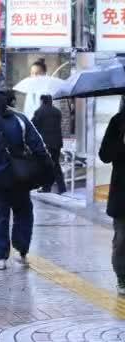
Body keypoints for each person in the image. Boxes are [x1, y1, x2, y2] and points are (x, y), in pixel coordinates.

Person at [0, 89, 52, 270]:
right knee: (23, 212)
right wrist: (47, 167)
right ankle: (21, 251)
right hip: (19, 176)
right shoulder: (21, 120)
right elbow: (37, 145)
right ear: (13, 102)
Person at [99, 96, 125, 295]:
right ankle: (122, 277)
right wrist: (121, 142)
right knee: (122, 239)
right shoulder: (118, 122)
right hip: (122, 193)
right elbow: (105, 155)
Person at [32, 94, 67, 194]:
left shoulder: (39, 112)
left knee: (46, 165)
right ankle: (61, 187)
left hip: (46, 143)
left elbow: (34, 125)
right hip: (57, 142)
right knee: (55, 164)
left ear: (42, 101)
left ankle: (46, 187)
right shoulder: (57, 112)